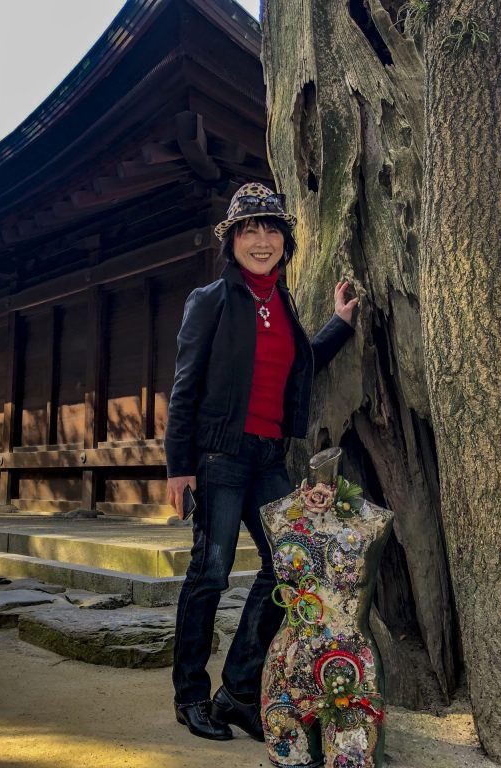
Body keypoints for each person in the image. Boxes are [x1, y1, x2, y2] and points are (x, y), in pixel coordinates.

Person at [165, 182, 359, 741]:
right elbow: (183, 388)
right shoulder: (210, 300)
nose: (261, 240)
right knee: (210, 572)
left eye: (271, 229)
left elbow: (303, 365)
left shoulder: (283, 305)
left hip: (269, 457)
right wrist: (179, 466)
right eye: (249, 230)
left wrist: (340, 323)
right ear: (232, 242)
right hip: (220, 457)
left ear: (284, 243)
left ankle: (237, 691)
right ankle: (190, 696)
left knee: (289, 565)